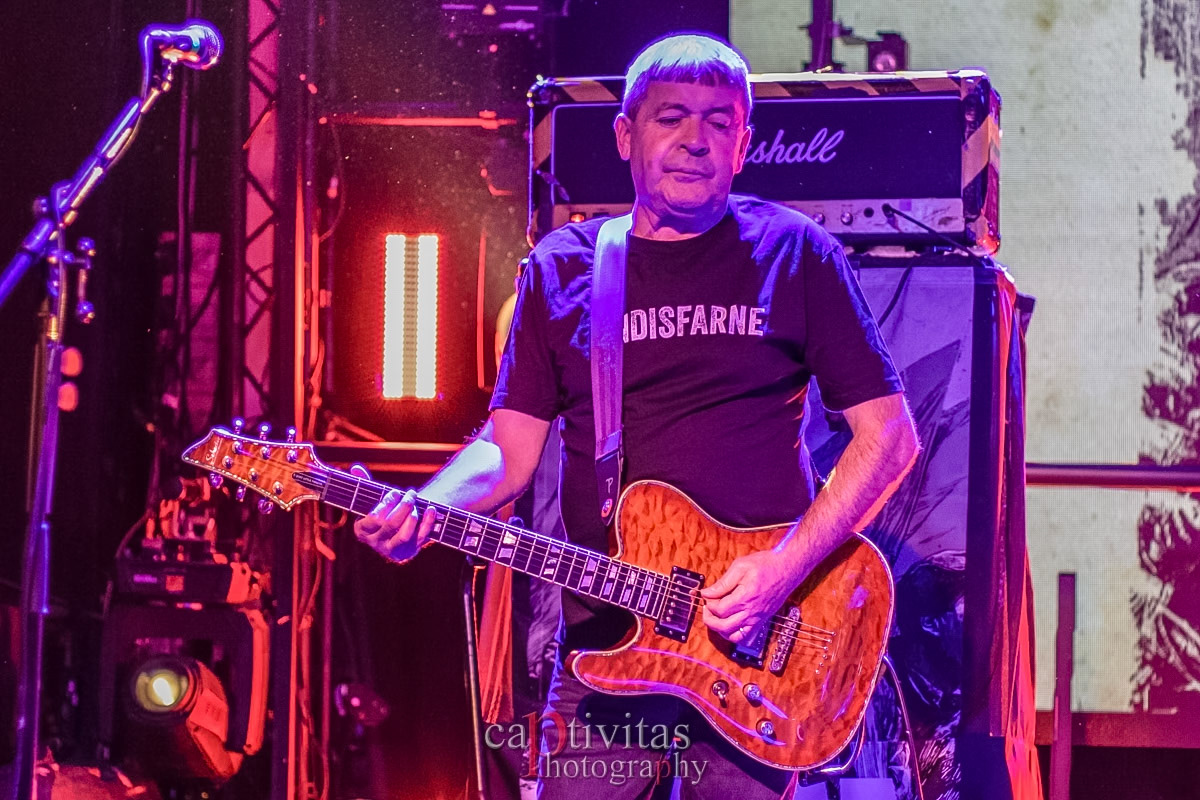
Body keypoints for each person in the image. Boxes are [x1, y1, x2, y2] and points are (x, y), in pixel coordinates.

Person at [354, 33, 919, 800]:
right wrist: (428, 505)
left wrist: (781, 572)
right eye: (672, 117)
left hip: (759, 647)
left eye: (720, 122)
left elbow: (889, 439)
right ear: (626, 135)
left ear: (744, 143)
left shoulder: (796, 254)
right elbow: (508, 452)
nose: (696, 139)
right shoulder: (564, 267)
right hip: (607, 641)